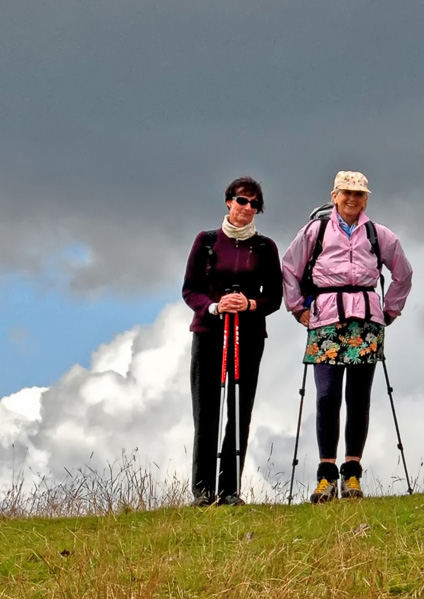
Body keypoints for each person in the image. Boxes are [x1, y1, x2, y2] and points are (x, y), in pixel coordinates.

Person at [282, 171, 412, 503]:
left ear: (366, 199)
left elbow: (403, 272)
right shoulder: (316, 231)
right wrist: (297, 308)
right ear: (335, 196)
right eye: (346, 193)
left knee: (358, 398)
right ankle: (326, 475)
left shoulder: (378, 234)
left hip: (365, 322)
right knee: (326, 396)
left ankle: (352, 472)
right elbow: (290, 267)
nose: (352, 199)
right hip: (325, 320)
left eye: (359, 194)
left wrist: (390, 310)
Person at [182, 176, 282, 506]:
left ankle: (229, 490)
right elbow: (190, 290)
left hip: (248, 336)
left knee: (239, 410)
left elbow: (275, 297)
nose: (247, 208)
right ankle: (202, 490)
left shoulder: (265, 247)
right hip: (209, 333)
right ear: (229, 201)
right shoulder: (206, 241)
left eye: (254, 204)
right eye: (242, 200)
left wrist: (250, 304)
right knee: (206, 409)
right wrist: (215, 306)